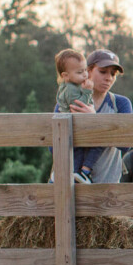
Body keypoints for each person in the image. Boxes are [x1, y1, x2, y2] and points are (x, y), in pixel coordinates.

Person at [66, 49, 133, 182]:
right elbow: (53, 146)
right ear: (88, 71)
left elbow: (126, 144)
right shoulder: (69, 99)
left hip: (106, 188)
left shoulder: (120, 103)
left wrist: (96, 120)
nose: (108, 78)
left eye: (113, 74)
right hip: (66, 185)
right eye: (103, 72)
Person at [52, 47, 95, 182]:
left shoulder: (71, 86)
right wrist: (87, 92)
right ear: (65, 75)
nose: (85, 75)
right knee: (78, 151)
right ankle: (74, 173)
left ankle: (69, 173)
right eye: (79, 72)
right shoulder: (70, 89)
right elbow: (78, 106)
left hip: (69, 126)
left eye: (85, 71)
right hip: (71, 126)